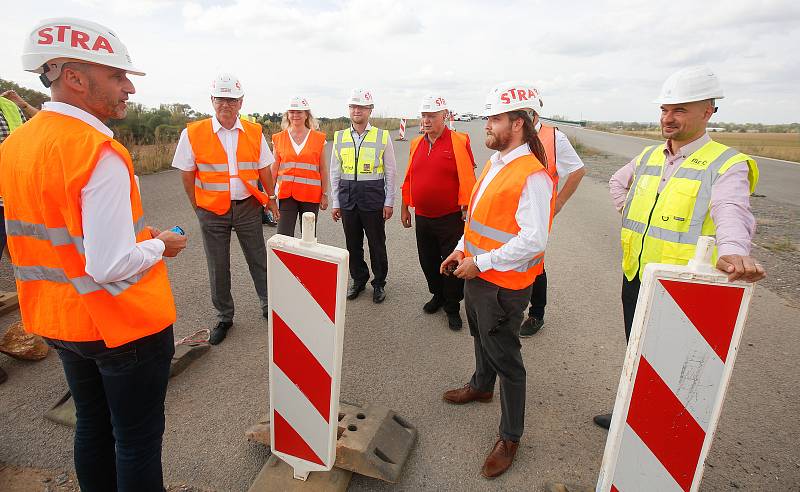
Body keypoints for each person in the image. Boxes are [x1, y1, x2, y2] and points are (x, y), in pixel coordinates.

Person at [0, 18, 187, 491]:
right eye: (118, 76)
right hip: (122, 326)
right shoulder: (97, 151)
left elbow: (58, 232)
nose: (128, 88)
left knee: (92, 425)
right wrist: (158, 245)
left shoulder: (17, 145)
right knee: (137, 440)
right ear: (76, 78)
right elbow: (109, 264)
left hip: (59, 322)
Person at [593, 65, 766, 430]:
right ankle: (632, 413)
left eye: (680, 110)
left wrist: (733, 249)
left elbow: (731, 209)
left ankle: (661, 429)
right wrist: (628, 210)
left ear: (708, 112)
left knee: (673, 362)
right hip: (637, 275)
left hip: (682, 286)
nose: (668, 118)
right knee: (636, 352)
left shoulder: (726, 164)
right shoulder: (650, 156)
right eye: (665, 110)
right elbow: (616, 181)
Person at [440, 82, 553, 478]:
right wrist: (460, 248)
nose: (487, 125)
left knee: (507, 357)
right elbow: (477, 219)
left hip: (503, 285)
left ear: (518, 123)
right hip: (478, 273)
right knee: (479, 335)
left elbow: (534, 239)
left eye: (495, 119)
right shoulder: (495, 162)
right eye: (488, 117)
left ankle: (510, 437)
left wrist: (482, 263)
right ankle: (480, 384)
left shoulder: (532, 175)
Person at [172, 73, 279, 345]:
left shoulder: (254, 132)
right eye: (221, 99)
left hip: (247, 207)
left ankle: (269, 306)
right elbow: (186, 173)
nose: (226, 105)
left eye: (232, 100)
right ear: (212, 100)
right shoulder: (193, 133)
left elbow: (264, 169)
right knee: (218, 266)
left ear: (241, 102)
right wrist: (197, 206)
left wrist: (271, 197)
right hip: (212, 211)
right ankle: (224, 317)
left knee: (258, 259)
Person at [401, 94, 476, 330]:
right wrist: (405, 206)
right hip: (423, 216)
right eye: (423, 115)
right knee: (428, 260)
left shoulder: (459, 141)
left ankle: (452, 306)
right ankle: (438, 295)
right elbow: (410, 177)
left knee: (452, 264)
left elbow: (468, 176)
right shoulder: (416, 143)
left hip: (450, 217)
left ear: (444, 116)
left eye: (432, 116)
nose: (426, 120)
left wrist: (468, 207)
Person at [519, 90, 586, 337]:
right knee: (512, 256)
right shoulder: (516, 135)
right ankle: (513, 306)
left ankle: (536, 314)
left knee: (534, 261)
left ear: (533, 112)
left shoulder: (554, 137)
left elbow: (578, 170)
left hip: (538, 211)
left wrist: (559, 203)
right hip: (512, 210)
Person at [330, 88, 397, 303]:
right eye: (353, 106)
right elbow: (334, 171)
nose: (356, 110)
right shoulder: (339, 137)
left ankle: (379, 283)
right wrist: (336, 201)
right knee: (353, 244)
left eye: (361, 107)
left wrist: (389, 201)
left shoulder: (382, 136)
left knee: (377, 243)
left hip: (373, 198)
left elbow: (391, 171)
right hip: (348, 198)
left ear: (370, 110)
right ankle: (358, 279)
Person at [271, 96, 329, 236]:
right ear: (287, 115)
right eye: (292, 112)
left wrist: (325, 194)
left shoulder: (318, 138)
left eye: (299, 112)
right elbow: (274, 168)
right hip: (286, 195)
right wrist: (270, 196)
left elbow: (323, 169)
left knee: (308, 239)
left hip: (311, 195)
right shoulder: (278, 138)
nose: (295, 115)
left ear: (306, 114)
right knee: (283, 237)